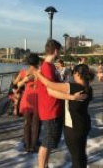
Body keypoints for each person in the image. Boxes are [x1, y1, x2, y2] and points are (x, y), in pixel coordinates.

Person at [36, 64, 92, 168]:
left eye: (73, 73)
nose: (73, 76)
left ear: (78, 74)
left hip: (73, 128)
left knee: (76, 156)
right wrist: (71, 97)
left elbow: (49, 86)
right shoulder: (88, 88)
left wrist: (38, 74)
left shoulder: (73, 87)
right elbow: (53, 93)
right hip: (84, 124)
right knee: (80, 154)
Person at [37, 39, 63, 168]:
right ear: (56, 51)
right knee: (47, 141)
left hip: (54, 108)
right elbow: (51, 89)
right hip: (50, 109)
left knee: (50, 142)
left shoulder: (51, 66)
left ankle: (45, 165)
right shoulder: (47, 67)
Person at [16, 54, 40, 152]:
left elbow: (16, 83)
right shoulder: (40, 72)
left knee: (26, 123)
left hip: (27, 98)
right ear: (37, 62)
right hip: (38, 98)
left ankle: (27, 145)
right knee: (35, 124)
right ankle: (33, 146)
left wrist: (23, 81)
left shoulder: (23, 72)